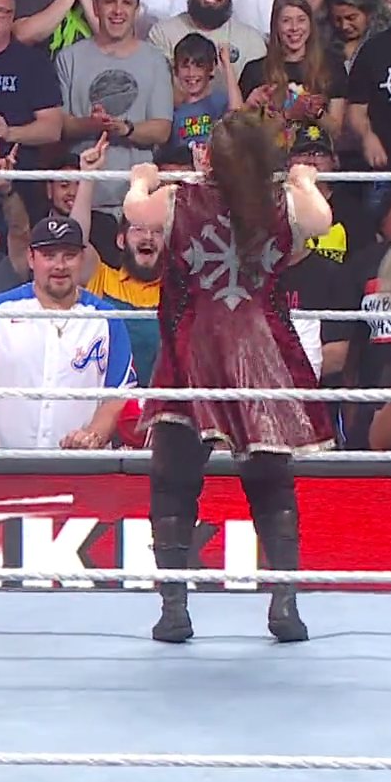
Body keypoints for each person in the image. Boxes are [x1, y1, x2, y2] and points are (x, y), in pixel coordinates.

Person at [120, 109, 333, 645]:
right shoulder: (283, 202)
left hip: (192, 346)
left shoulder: (180, 199)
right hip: (260, 348)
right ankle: (285, 604)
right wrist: (304, 178)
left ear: (210, 157)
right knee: (271, 481)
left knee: (173, 479)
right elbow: (322, 219)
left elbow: (135, 210)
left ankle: (174, 609)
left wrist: (142, 177)